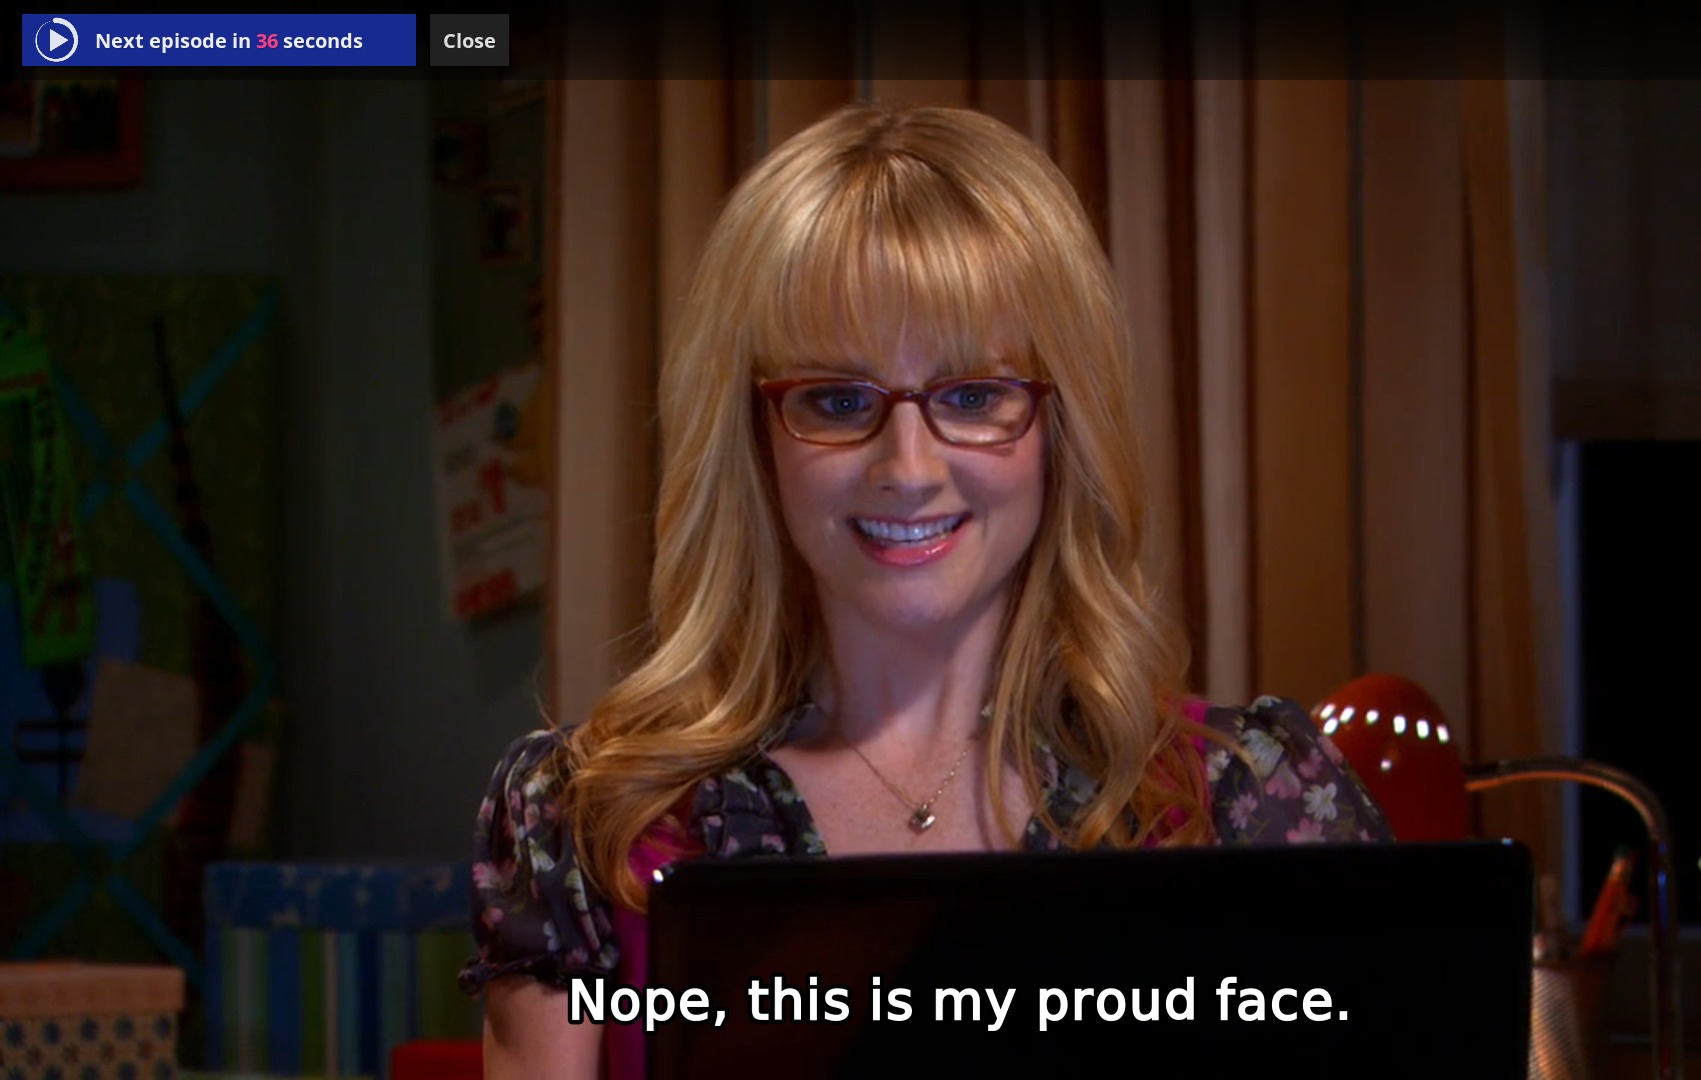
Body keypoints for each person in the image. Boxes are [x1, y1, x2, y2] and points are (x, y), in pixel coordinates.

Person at [460, 104, 1391, 1077]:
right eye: (837, 400)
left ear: (1060, 427)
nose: (908, 468)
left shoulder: (1248, 800)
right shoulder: (588, 820)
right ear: (753, 440)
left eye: (974, 396)